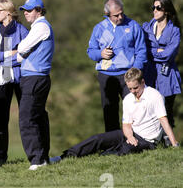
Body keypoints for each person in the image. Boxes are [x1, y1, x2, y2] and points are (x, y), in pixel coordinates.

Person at [50, 68, 179, 162]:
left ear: (142, 82)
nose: (133, 92)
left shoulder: (155, 95)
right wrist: (129, 136)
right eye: (130, 89)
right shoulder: (128, 99)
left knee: (122, 152)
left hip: (148, 141)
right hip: (130, 134)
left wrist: (174, 144)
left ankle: (102, 156)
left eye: (136, 88)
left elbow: (163, 120)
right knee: (97, 139)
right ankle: (64, 157)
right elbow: (126, 124)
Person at [87, 0, 147, 132]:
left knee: (133, 109)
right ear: (107, 14)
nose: (120, 17)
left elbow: (141, 50)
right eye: (116, 15)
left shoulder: (133, 26)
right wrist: (100, 54)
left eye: (121, 13)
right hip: (106, 75)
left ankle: (136, 140)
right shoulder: (99, 28)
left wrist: (135, 72)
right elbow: (91, 51)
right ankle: (112, 144)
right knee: (109, 110)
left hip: (128, 75)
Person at [0, 0, 29, 164]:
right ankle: (0, 157)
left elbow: (24, 55)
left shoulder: (22, 30)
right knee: (1, 118)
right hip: (1, 76)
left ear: (8, 12)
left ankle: (33, 156)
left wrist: (8, 55)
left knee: (26, 116)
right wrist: (11, 54)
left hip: (21, 75)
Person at [16, 0, 55, 170]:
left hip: (34, 78)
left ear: (39, 10)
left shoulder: (40, 26)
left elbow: (22, 48)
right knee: (38, 117)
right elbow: (19, 55)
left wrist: (19, 49)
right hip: (36, 77)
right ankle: (42, 157)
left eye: (29, 10)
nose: (26, 12)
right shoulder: (37, 27)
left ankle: (37, 160)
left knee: (27, 119)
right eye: (24, 9)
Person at [142, 0, 181, 130]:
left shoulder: (175, 31)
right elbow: (143, 49)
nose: (155, 10)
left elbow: (168, 54)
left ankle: (168, 140)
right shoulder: (146, 28)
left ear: (167, 10)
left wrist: (152, 52)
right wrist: (157, 50)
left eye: (158, 7)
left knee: (166, 110)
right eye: (153, 7)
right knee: (150, 109)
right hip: (149, 73)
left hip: (167, 75)